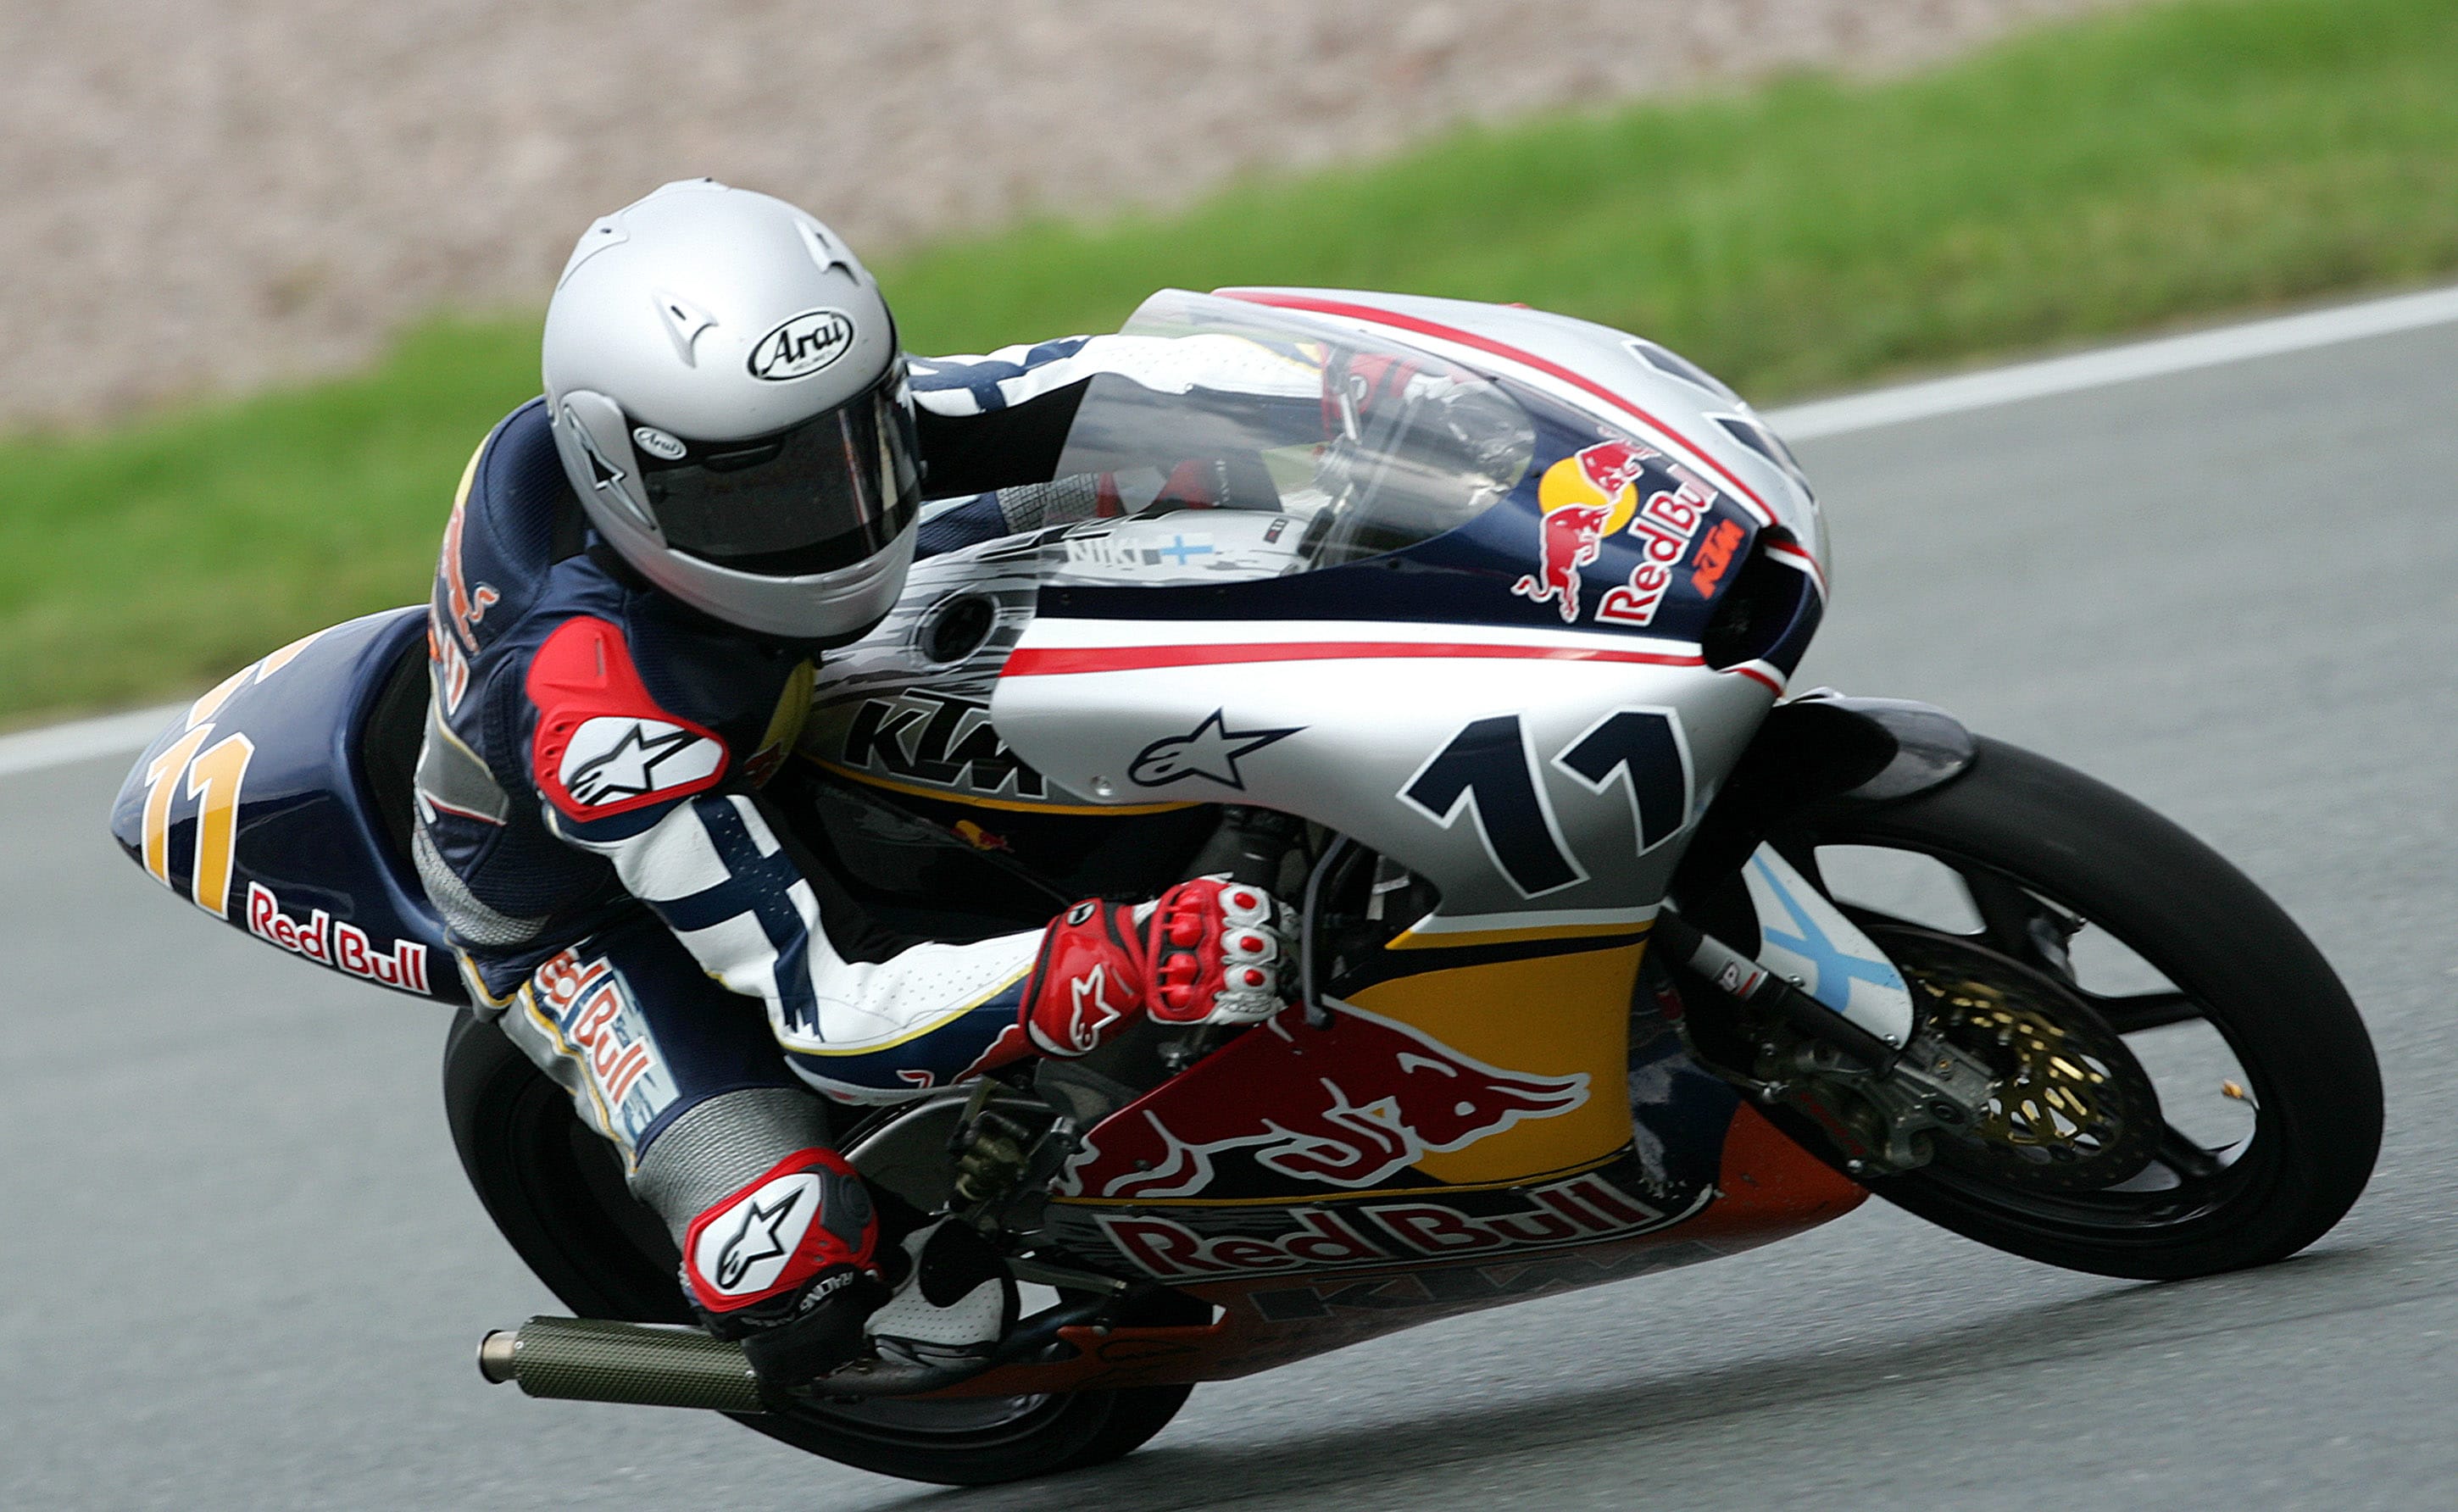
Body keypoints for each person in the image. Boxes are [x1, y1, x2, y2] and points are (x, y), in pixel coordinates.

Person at [412, 179, 1293, 1392]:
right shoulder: (600, 714)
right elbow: (831, 1015)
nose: (829, 509)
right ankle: (828, 1277)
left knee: (1203, 488)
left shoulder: (778, 418)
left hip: (762, 697)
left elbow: (1074, 383)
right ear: (627, 476)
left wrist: (1347, 389)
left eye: (851, 448)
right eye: (761, 492)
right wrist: (1114, 961)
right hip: (586, 903)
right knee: (784, 1257)